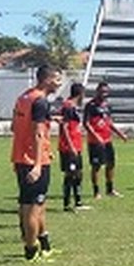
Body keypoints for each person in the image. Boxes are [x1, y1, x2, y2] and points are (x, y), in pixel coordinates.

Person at [11, 64, 61, 262]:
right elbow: (38, 134)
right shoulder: (40, 101)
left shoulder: (24, 97)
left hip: (21, 157)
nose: (59, 83)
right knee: (33, 207)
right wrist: (38, 164)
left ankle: (43, 245)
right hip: (33, 161)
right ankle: (31, 251)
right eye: (57, 79)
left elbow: (14, 127)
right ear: (47, 80)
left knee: (30, 204)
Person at [84, 81, 128, 199]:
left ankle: (110, 189)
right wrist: (96, 136)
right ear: (97, 91)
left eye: (106, 92)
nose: (104, 94)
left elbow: (109, 123)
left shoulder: (107, 105)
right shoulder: (91, 106)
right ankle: (96, 191)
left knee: (111, 164)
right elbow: (86, 123)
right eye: (102, 91)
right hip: (95, 142)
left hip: (107, 140)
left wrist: (120, 134)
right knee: (96, 166)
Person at [57, 82, 90, 212]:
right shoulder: (68, 106)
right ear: (81, 93)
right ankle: (67, 204)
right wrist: (71, 146)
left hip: (76, 145)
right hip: (68, 147)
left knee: (78, 173)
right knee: (70, 174)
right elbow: (64, 126)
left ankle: (78, 202)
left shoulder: (73, 107)